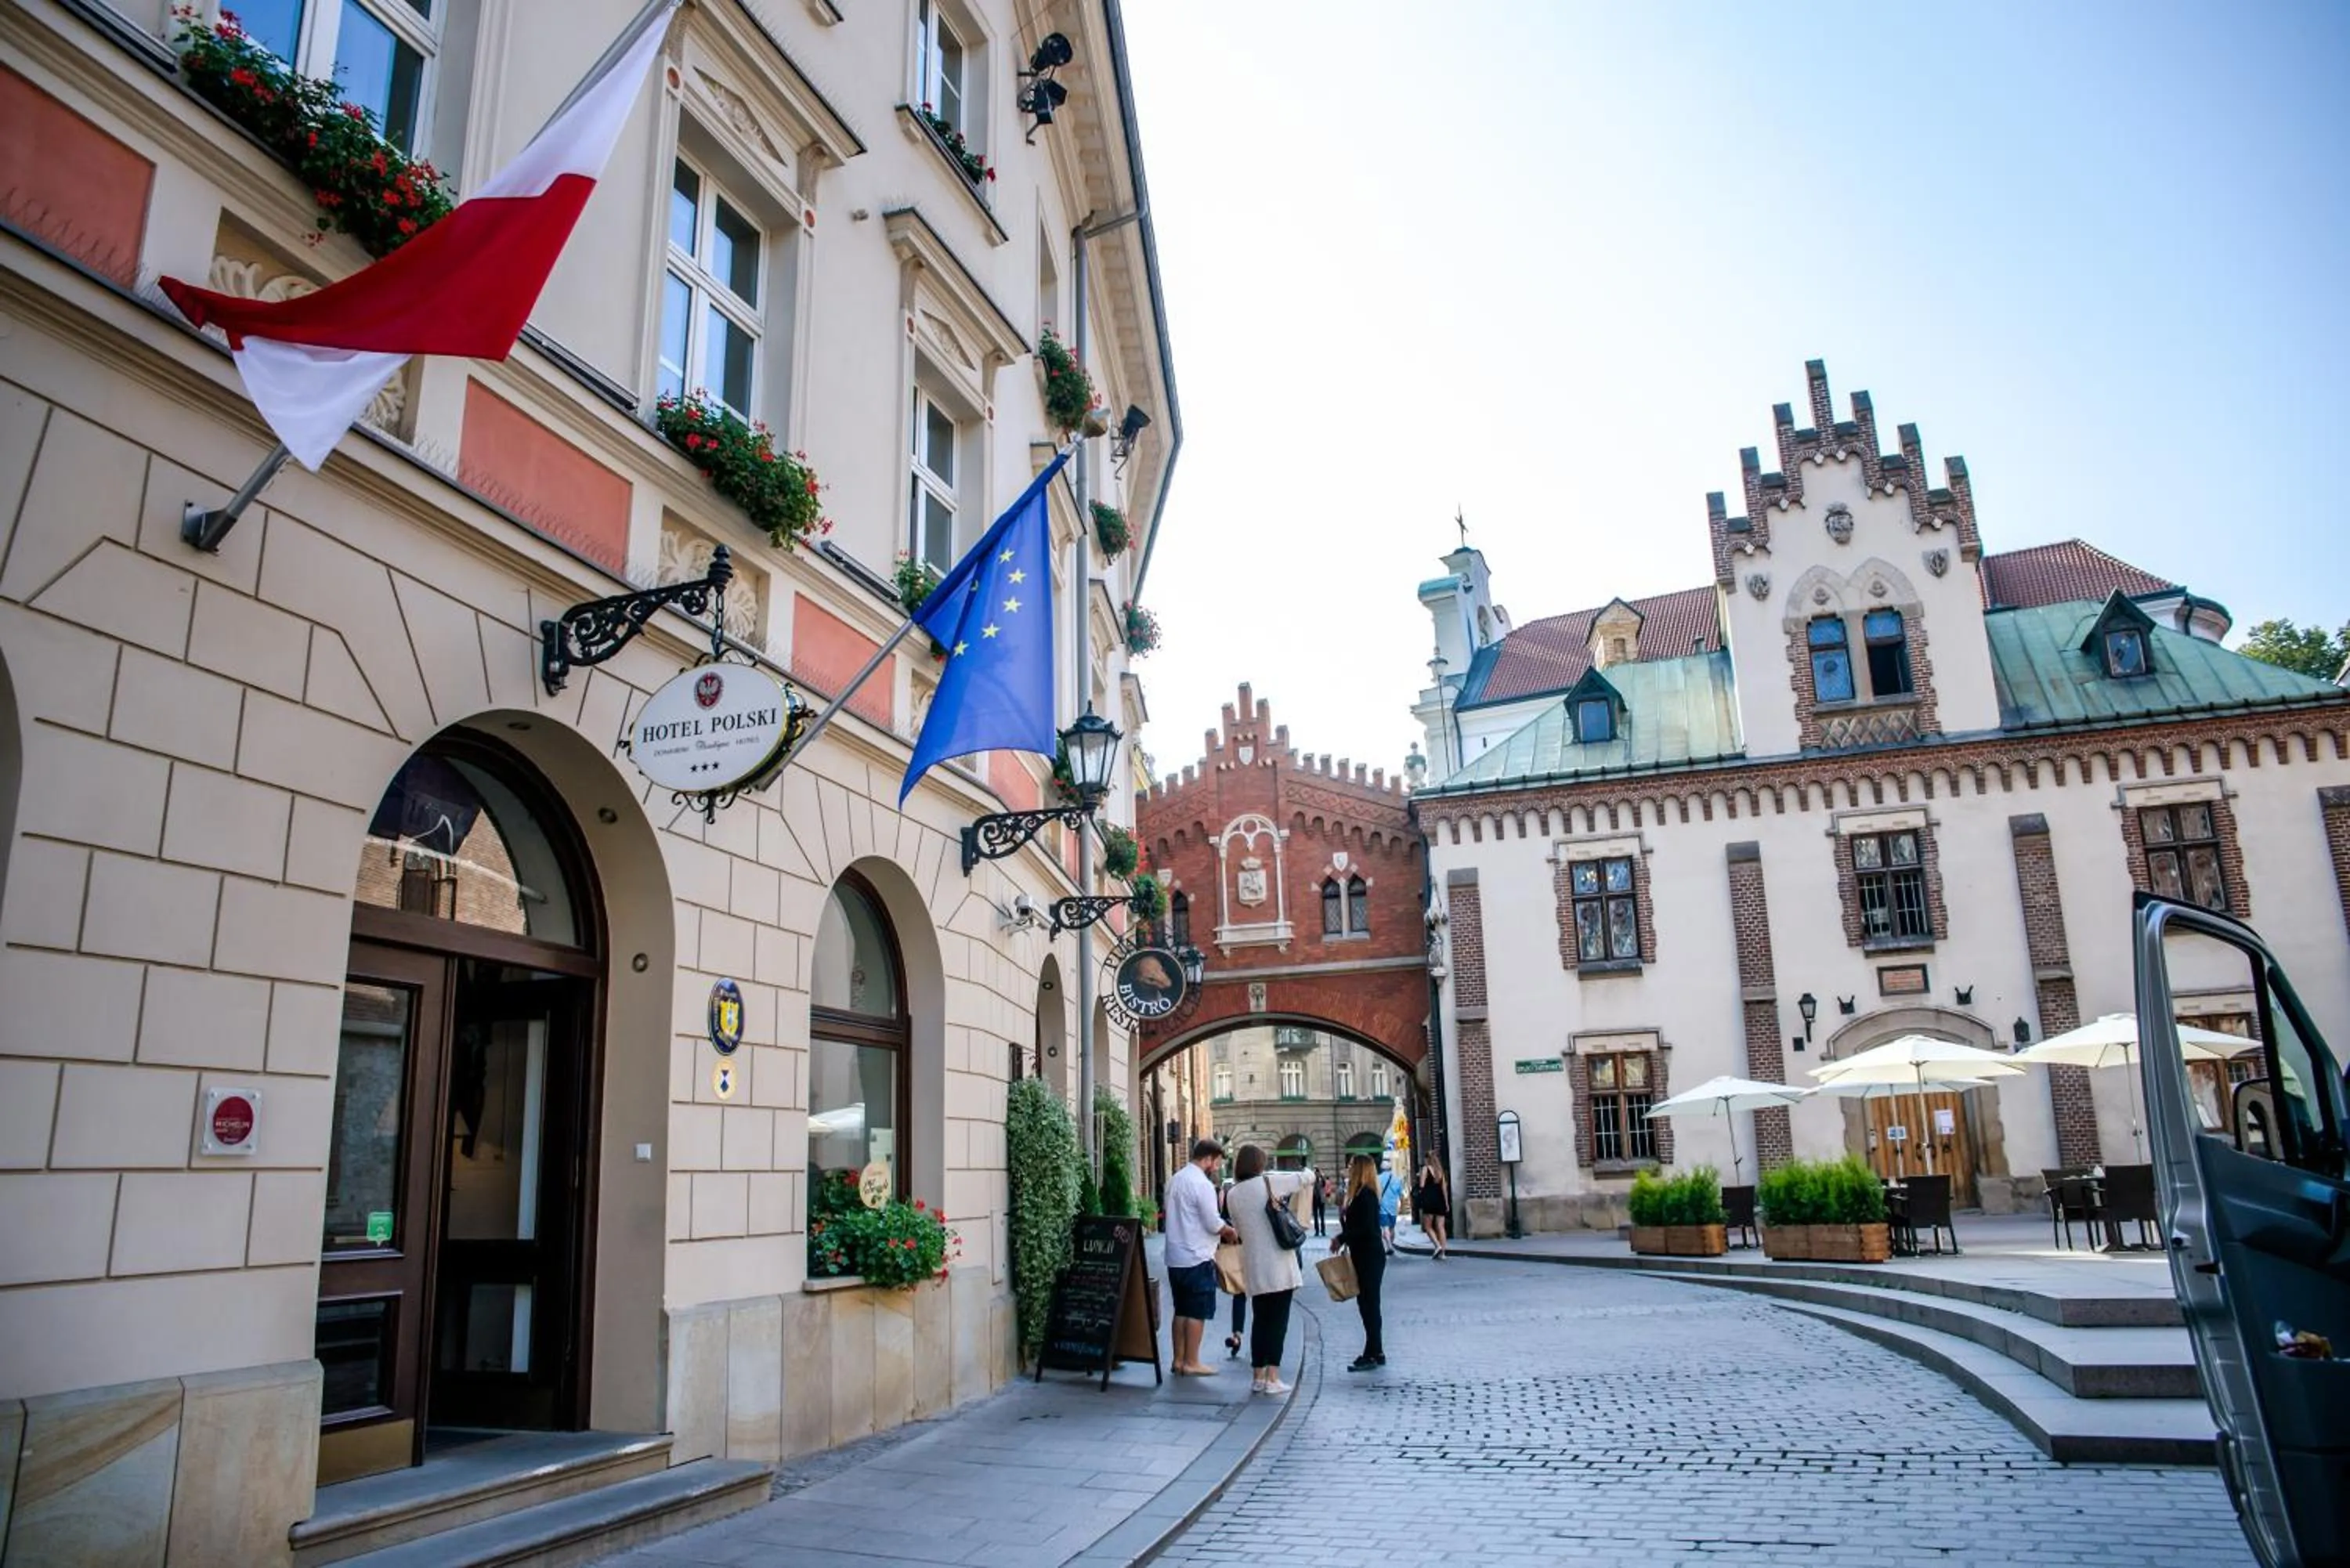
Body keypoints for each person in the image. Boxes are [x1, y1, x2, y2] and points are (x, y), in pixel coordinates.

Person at [1224, 1143, 1315, 1395]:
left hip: (1254, 1266)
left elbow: (1239, 1230)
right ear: (1259, 1164)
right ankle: (1273, 1377)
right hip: (1279, 1266)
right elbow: (1304, 1179)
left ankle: (1258, 1376)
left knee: (1260, 1321)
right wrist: (1309, 1171)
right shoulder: (1269, 1183)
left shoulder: (1233, 1194)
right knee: (1278, 1323)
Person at [1162, 1137, 1237, 1376]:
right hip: (1197, 1256)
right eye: (1217, 1162)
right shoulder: (1202, 1185)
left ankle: (1178, 1360)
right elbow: (1213, 1223)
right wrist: (1230, 1232)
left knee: (1181, 1310)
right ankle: (1192, 1361)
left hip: (1175, 1256)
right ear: (1208, 1158)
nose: (1217, 1167)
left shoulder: (1176, 1179)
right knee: (1196, 1312)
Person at [1329, 1154, 1386, 1370]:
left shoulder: (1366, 1196)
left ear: (1360, 1169)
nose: (1349, 1168)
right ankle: (1375, 1350)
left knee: (1369, 1304)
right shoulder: (1359, 1194)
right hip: (1362, 1254)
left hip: (1370, 1256)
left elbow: (1366, 1229)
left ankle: (1373, 1352)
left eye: (1352, 1165)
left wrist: (1342, 1238)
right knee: (1366, 1304)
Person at [1218, 1178, 1246, 1359]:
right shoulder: (1260, 1193)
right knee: (1245, 1295)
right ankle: (1238, 1336)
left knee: (1240, 1295)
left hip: (1239, 1252)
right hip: (1252, 1253)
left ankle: (1237, 1336)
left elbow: (1223, 1221)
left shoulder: (1231, 1194)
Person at [1415, 1155, 1453, 1259]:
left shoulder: (1426, 1169)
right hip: (1440, 1200)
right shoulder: (1440, 1171)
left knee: (1428, 1226)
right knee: (1441, 1227)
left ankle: (1437, 1245)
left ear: (1427, 1160)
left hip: (1429, 1200)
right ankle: (1443, 1253)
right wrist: (1446, 1203)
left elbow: (1422, 1186)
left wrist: (1420, 1197)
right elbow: (1444, 1189)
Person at [1377, 1163, 1405, 1255]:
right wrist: (1402, 1206)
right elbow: (1401, 1194)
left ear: (1381, 1169)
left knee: (1385, 1227)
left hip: (1382, 1206)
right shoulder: (1397, 1179)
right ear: (1391, 1169)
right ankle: (1390, 1245)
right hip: (1393, 1207)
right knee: (1392, 1228)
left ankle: (1389, 1245)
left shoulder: (1378, 1178)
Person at [1311, 1173, 1330, 1237]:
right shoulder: (1313, 1182)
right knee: (1316, 1217)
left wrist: (1322, 1176)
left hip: (1321, 1201)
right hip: (1315, 1201)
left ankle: (1323, 1231)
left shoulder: (1322, 1181)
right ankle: (1317, 1231)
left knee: (1322, 1217)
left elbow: (1324, 1183)